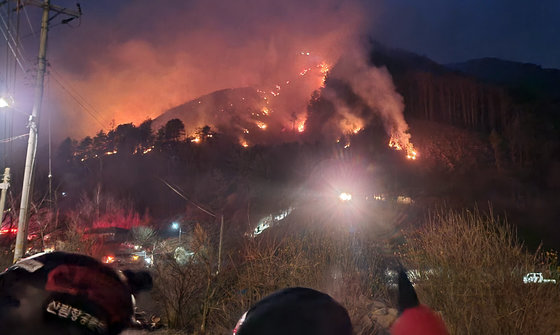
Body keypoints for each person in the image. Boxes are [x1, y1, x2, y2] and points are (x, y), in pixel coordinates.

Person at [0, 251, 152, 335]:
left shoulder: (101, 270)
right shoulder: (122, 299)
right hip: (35, 306)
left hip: (16, 281)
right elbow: (116, 328)